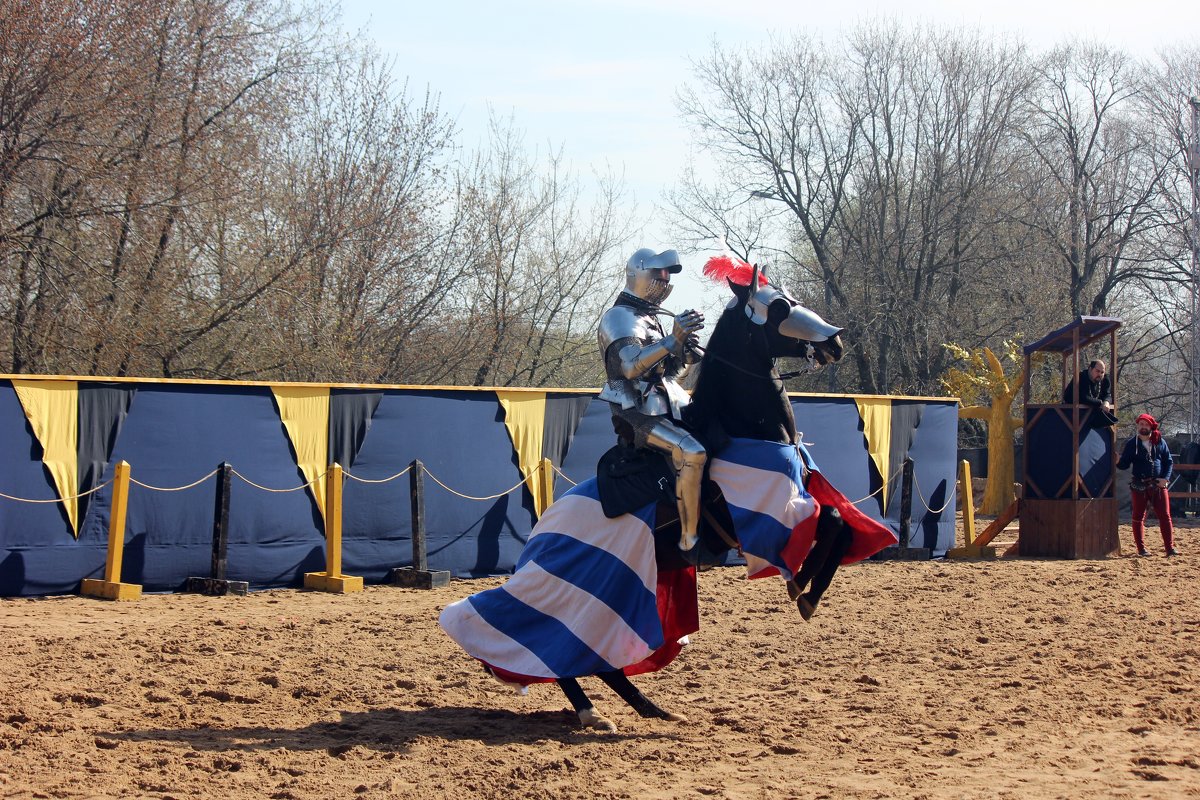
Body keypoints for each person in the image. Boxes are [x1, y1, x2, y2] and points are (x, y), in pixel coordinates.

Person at [597, 248, 705, 551]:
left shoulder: (653, 317)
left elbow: (670, 374)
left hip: (667, 405)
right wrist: (672, 340)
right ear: (639, 274)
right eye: (659, 274)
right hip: (636, 414)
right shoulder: (619, 316)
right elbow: (631, 367)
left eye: (667, 275)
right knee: (691, 452)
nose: (664, 280)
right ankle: (689, 540)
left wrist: (685, 352)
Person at [1116, 413, 1179, 557]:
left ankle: (1169, 548)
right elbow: (1124, 464)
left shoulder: (1159, 441)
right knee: (1138, 516)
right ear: (1138, 426)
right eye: (1141, 424)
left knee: (1165, 516)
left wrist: (1166, 478)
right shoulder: (1132, 444)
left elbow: (1168, 461)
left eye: (1146, 425)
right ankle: (1141, 549)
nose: (1143, 427)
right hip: (1139, 484)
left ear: (1151, 426)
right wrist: (1118, 461)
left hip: (1158, 484)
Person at [1063, 359, 1118, 428]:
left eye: (1102, 372)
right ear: (1090, 369)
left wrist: (1106, 402)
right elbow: (1083, 397)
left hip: (1091, 417)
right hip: (1071, 415)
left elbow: (1108, 394)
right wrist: (1101, 403)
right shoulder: (1081, 377)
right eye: (1097, 371)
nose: (1100, 374)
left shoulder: (1105, 380)